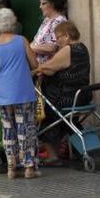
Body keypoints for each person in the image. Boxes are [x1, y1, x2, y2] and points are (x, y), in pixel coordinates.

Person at [0, 8, 40, 179]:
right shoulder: (21, 40)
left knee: (8, 129)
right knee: (26, 128)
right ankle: (29, 167)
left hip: (3, 94)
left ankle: (11, 168)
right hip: (23, 91)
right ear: (13, 22)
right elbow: (34, 64)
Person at [34, 21, 90, 162]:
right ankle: (79, 150)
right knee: (67, 120)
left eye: (58, 37)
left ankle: (52, 154)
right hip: (82, 95)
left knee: (44, 113)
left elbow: (48, 67)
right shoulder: (82, 48)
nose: (57, 41)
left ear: (67, 35)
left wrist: (36, 70)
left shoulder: (68, 49)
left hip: (67, 97)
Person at [31, 0, 68, 64]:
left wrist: (28, 48)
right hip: (38, 66)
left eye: (43, 3)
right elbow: (36, 41)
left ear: (53, 4)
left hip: (49, 69)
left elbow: (52, 47)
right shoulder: (47, 19)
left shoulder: (59, 21)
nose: (40, 7)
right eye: (40, 3)